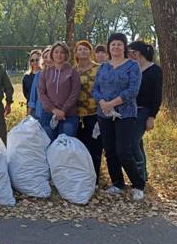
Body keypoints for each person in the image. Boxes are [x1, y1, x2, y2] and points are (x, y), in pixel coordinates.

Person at [91, 33, 145, 201]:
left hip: (125, 114)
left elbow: (132, 90)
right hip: (104, 114)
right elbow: (95, 89)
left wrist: (113, 103)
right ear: (109, 47)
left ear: (124, 47)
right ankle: (117, 184)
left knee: (124, 150)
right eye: (113, 44)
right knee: (110, 150)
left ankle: (138, 185)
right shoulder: (104, 67)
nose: (116, 47)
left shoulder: (132, 66)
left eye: (119, 44)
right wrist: (102, 102)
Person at [128, 40, 163, 182]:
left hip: (144, 111)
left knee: (132, 143)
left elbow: (157, 95)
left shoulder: (154, 70)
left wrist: (151, 116)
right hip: (130, 110)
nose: (127, 55)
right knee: (138, 142)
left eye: (129, 52)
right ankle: (144, 173)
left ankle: (139, 177)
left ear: (137, 53)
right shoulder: (132, 69)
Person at [73, 40, 103, 183]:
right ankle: (81, 177)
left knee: (95, 148)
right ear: (76, 53)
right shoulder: (72, 70)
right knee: (79, 148)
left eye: (86, 49)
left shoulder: (99, 68)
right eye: (80, 49)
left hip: (95, 114)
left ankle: (94, 179)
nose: (83, 51)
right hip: (76, 115)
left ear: (90, 51)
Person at [37, 41, 80, 141]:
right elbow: (41, 92)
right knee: (49, 144)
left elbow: (75, 93)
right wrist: (53, 109)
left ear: (66, 55)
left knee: (65, 146)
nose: (59, 55)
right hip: (48, 115)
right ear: (52, 54)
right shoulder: (46, 72)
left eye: (62, 52)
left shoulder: (72, 72)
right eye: (56, 52)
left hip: (68, 115)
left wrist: (63, 111)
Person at [27, 47, 51, 121]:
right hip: (40, 113)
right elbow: (32, 97)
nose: (48, 59)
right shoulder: (39, 75)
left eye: (50, 56)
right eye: (45, 57)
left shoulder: (62, 74)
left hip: (57, 113)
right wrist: (28, 116)